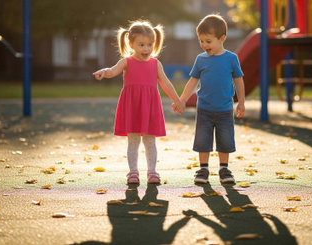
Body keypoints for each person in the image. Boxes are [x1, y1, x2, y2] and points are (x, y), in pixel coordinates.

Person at [93, 20, 184, 184]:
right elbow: (112, 71)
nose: (146, 49)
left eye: (149, 44)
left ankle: (152, 172)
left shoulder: (155, 64)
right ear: (131, 44)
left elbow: (166, 83)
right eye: (141, 45)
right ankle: (133, 172)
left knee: (150, 140)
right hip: (132, 106)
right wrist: (103, 72)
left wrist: (177, 100)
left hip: (150, 106)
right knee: (133, 140)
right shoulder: (126, 62)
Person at [177, 14, 245, 184]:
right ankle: (203, 169)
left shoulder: (231, 59)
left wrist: (241, 102)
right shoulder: (200, 60)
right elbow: (192, 82)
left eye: (208, 41)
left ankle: (224, 168)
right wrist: (182, 99)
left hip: (225, 109)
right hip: (204, 110)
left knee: (225, 140)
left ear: (222, 38)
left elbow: (239, 80)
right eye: (201, 41)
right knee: (202, 140)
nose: (204, 45)